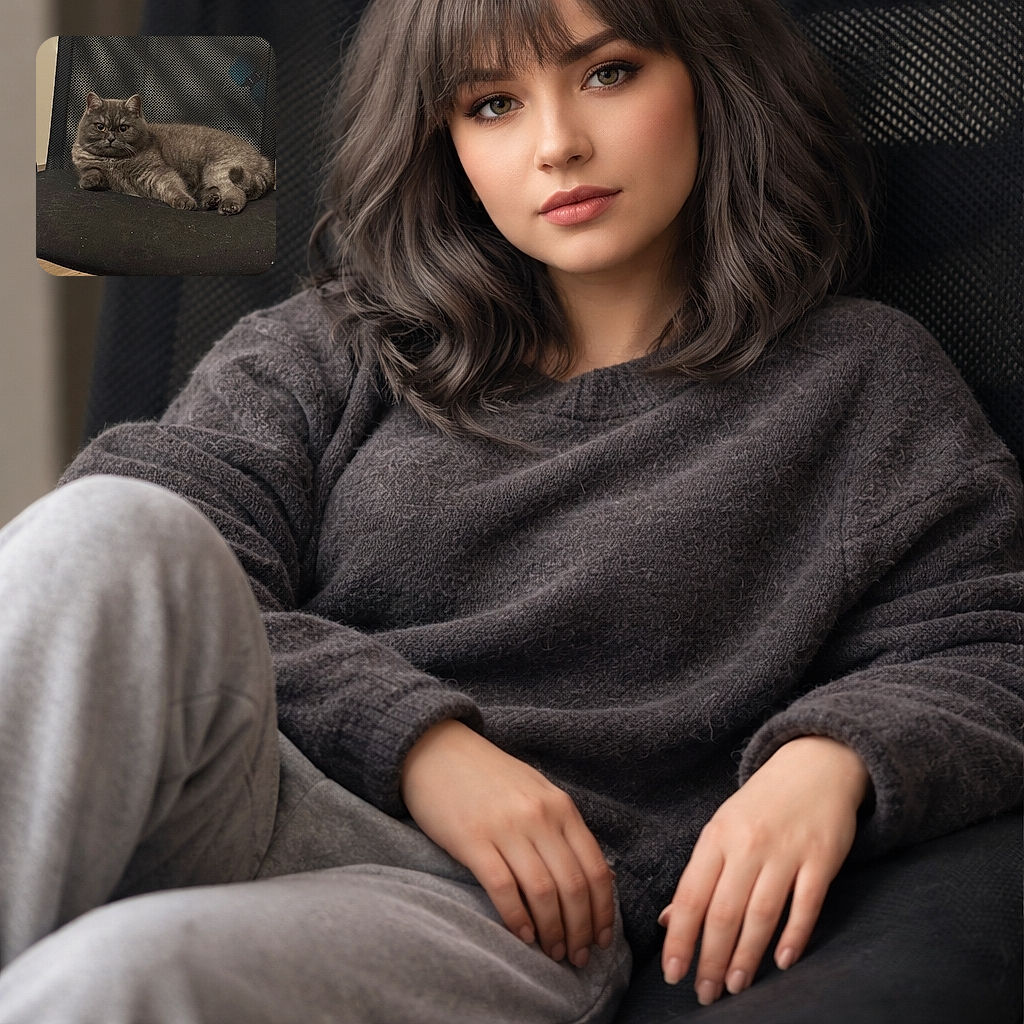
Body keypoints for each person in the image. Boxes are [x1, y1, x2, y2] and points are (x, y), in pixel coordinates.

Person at [0, 0, 1021, 1020]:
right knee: (109, 529)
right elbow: (160, 566)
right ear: (444, 143)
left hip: (497, 908)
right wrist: (418, 743)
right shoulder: (337, 341)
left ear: (711, 79)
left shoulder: (858, 378)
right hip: (249, 782)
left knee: (113, 975)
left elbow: (989, 636)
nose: (557, 146)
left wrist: (830, 758)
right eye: (491, 104)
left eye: (608, 73)